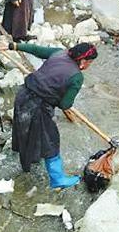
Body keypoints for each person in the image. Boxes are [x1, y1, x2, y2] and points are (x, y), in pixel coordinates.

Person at [10, 41, 98, 188]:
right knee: (50, 141)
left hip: (23, 96)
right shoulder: (77, 77)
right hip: (38, 108)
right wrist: (56, 97)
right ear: (83, 61)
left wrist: (15, 46)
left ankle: (29, 160)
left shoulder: (59, 53)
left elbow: (36, 49)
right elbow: (65, 104)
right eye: (90, 62)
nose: (90, 65)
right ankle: (58, 179)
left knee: (25, 130)